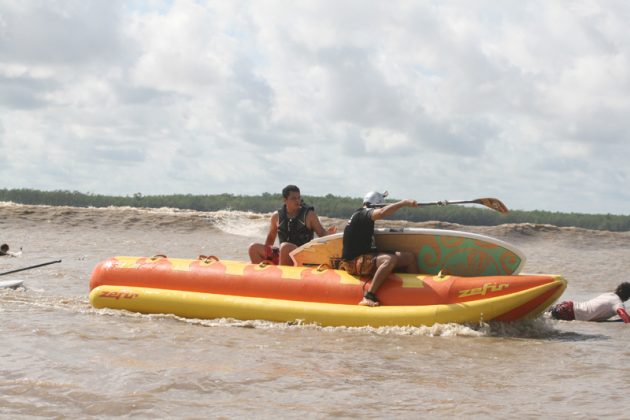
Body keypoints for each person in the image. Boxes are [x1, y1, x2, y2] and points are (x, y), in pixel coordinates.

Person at [340, 191, 420, 307]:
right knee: (389, 260)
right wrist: (403, 203)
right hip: (353, 262)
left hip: (366, 257)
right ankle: (368, 296)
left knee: (410, 257)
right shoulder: (362, 214)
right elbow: (382, 212)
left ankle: (414, 293)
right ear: (376, 205)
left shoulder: (364, 217)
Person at [248, 185, 336, 266]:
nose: (297, 201)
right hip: (283, 253)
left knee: (285, 247)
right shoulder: (276, 216)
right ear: (285, 200)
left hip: (302, 255)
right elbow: (270, 238)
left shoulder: (309, 215)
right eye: (293, 198)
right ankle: (261, 277)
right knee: (253, 248)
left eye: (298, 198)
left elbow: (321, 233)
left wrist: (329, 234)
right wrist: (267, 256)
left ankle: (283, 279)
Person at [549, 282, 630, 323]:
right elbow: (622, 314)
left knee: (544, 315)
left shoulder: (609, 295)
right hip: (569, 313)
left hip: (567, 306)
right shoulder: (618, 303)